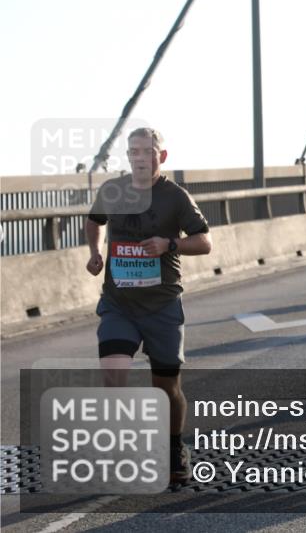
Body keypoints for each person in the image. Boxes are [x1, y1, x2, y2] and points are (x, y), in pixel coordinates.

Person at [85, 127, 213, 484]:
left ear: (162, 156)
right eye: (133, 152)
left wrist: (168, 244)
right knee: (113, 376)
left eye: (147, 152)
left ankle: (174, 448)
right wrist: (96, 253)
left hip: (162, 305)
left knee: (166, 388)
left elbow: (204, 242)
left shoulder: (176, 197)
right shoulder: (113, 190)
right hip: (118, 304)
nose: (140, 158)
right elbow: (94, 221)